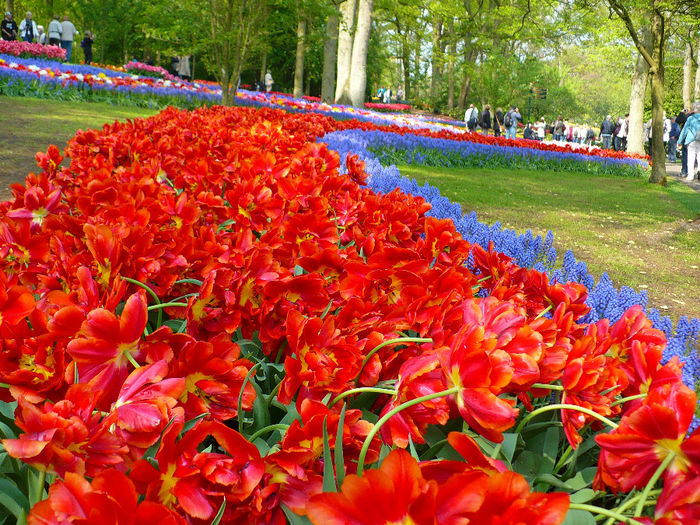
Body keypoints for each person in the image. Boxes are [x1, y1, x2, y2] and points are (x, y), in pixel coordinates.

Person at [677, 102, 700, 181]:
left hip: (691, 140)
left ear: (693, 109)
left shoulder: (690, 118)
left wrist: (680, 141)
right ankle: (699, 173)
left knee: (691, 157)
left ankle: (691, 175)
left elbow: (684, 130)